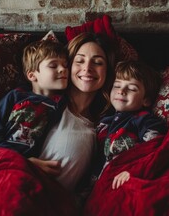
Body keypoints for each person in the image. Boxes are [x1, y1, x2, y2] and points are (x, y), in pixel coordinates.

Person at [28, 32, 117, 192]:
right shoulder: (43, 104)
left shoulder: (104, 126)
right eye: (79, 61)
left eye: (97, 62)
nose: (87, 68)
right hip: (21, 188)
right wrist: (24, 162)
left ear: (107, 72)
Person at [0, 39, 69, 158]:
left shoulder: (63, 103)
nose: (63, 69)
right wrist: (23, 159)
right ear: (32, 75)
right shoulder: (16, 96)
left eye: (66, 65)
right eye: (53, 65)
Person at [95, 60, 168, 189]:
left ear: (146, 100)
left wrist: (133, 170)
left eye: (132, 88)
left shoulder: (144, 120)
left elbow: (153, 148)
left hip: (125, 176)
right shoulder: (104, 122)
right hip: (99, 181)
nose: (121, 91)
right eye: (117, 86)